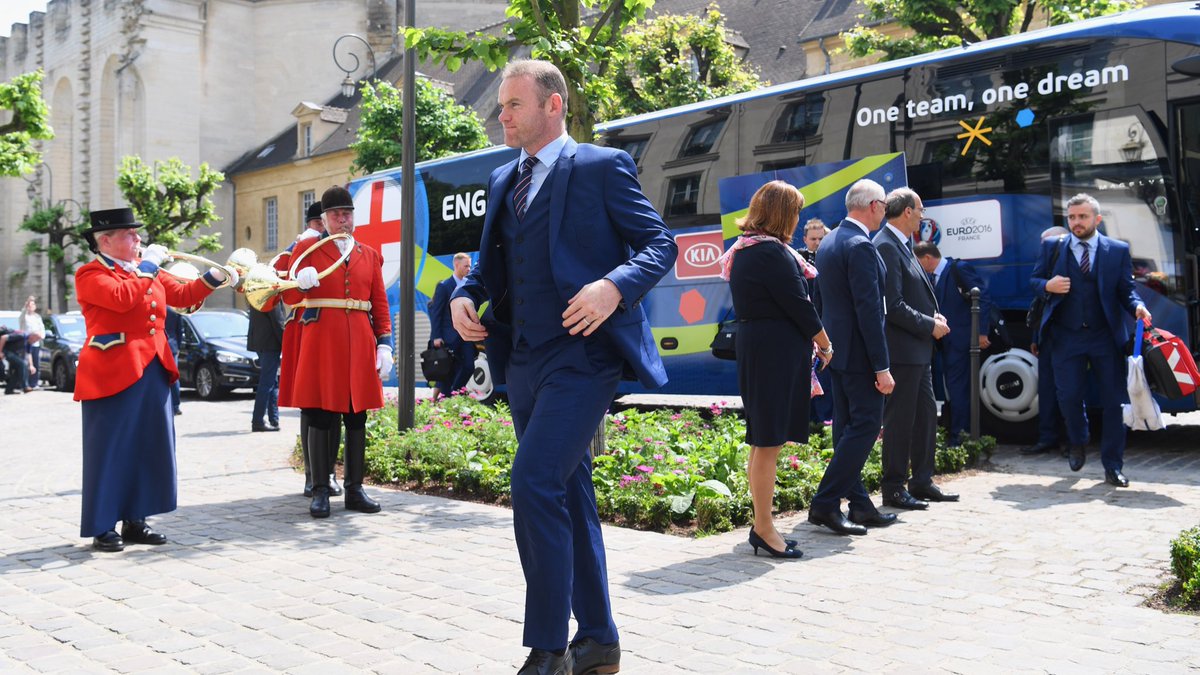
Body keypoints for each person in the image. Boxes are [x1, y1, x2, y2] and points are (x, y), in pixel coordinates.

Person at [449, 59, 676, 675]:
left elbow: (660, 244)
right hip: (522, 361)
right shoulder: (502, 179)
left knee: (534, 482)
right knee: (569, 492)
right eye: (501, 104)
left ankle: (548, 647)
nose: (502, 114)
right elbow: (486, 266)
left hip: (583, 357)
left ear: (553, 106)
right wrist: (464, 295)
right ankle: (599, 639)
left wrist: (612, 286)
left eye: (514, 104)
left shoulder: (602, 167)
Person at [73, 207, 232, 552]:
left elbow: (184, 296)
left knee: (149, 446)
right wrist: (148, 268)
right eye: (130, 234)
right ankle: (103, 525)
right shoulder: (90, 273)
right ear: (105, 240)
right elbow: (122, 298)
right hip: (112, 369)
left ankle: (136, 520)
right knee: (110, 449)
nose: (138, 238)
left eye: (136, 233)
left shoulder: (147, 271)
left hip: (154, 366)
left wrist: (217, 277)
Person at [720, 181, 832, 559]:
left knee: (763, 441)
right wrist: (824, 342)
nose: (799, 219)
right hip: (773, 351)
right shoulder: (770, 253)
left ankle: (762, 523)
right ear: (782, 213)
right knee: (768, 442)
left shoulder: (748, 250)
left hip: (763, 348)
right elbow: (799, 305)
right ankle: (765, 529)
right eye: (795, 211)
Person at [284, 185, 393, 518]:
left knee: (356, 415)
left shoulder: (369, 254)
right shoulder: (306, 248)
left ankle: (355, 489)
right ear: (325, 219)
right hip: (322, 340)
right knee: (320, 413)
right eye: (335, 215)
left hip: (359, 338)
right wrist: (296, 282)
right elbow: (286, 298)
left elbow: (379, 302)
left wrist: (385, 341)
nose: (342, 220)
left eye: (346, 214)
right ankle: (319, 490)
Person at [1030, 194, 1150, 487]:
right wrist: (1047, 285)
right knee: (1068, 398)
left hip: (1105, 338)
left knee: (1113, 403)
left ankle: (1112, 466)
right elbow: (1034, 281)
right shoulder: (1052, 248)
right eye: (1071, 217)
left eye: (1082, 217)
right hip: (1066, 337)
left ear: (1097, 219)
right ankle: (1078, 439)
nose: (1076, 223)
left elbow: (1126, 289)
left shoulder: (1117, 251)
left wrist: (1137, 306)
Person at [807, 178, 895, 537]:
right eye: (885, 206)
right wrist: (882, 366)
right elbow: (869, 310)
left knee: (845, 429)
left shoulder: (829, 241)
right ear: (873, 205)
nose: (885, 213)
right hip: (860, 355)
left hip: (840, 353)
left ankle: (859, 503)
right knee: (864, 427)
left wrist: (825, 345)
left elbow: (822, 302)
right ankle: (826, 503)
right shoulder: (859, 244)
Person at [876, 189, 956, 512]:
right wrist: (929, 324)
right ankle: (893, 487)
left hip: (918, 352)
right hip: (902, 352)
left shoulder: (902, 244)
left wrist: (931, 318)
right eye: (920, 210)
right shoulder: (885, 244)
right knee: (900, 421)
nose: (923, 216)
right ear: (907, 211)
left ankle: (921, 481)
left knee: (925, 416)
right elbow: (892, 306)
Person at [278, 200, 342, 497]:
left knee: (331, 406)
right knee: (312, 406)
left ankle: (325, 472)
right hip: (307, 330)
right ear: (317, 223)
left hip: (329, 332)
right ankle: (312, 474)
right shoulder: (302, 247)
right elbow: (282, 287)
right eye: (321, 223)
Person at [914, 241, 995, 446]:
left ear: (928, 259)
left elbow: (982, 298)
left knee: (959, 387)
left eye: (917, 263)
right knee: (951, 387)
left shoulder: (958, 269)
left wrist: (981, 332)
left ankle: (960, 434)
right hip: (943, 342)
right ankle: (955, 430)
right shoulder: (931, 277)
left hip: (961, 340)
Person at [1020, 225, 1069, 456]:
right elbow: (1040, 306)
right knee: (1047, 389)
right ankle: (1047, 437)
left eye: (1048, 243)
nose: (1044, 248)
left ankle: (1071, 441)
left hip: (1071, 337)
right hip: (1048, 337)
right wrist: (1036, 337)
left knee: (1069, 391)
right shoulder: (1045, 269)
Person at [428, 252, 477, 398]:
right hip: (448, 336)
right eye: (466, 266)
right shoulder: (444, 286)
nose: (469, 269)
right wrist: (436, 336)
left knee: (469, 366)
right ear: (456, 265)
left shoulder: (469, 285)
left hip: (465, 335)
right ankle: (448, 398)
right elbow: (436, 313)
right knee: (446, 370)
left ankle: (455, 393)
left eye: (470, 266)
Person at [802, 218, 833, 426]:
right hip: (804, 329)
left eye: (821, 238)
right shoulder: (797, 259)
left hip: (825, 328)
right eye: (813, 239)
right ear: (805, 239)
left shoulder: (830, 257)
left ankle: (824, 422)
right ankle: (810, 422)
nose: (817, 242)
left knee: (824, 377)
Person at [248, 302, 285, 432]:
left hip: (261, 342)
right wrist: (286, 342)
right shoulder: (271, 293)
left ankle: (274, 419)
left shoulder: (258, 290)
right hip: (270, 343)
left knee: (272, 382)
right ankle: (258, 421)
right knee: (267, 383)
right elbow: (278, 321)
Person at [19, 296, 45, 391]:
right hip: (26, 342)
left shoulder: (37, 317)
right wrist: (26, 304)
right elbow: (22, 316)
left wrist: (41, 336)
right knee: (27, 363)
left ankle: (34, 383)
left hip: (36, 343)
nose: (32, 306)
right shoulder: (24, 316)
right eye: (30, 305)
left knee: (36, 363)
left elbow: (42, 329)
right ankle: (26, 383)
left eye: (33, 304)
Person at [0, 326, 34, 394]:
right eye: (36, 339)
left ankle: (9, 390)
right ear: (32, 336)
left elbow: (28, 353)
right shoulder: (21, 335)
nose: (35, 341)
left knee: (18, 369)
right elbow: (3, 338)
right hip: (6, 351)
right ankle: (25, 386)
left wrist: (31, 365)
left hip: (13, 353)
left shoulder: (29, 342)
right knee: (22, 364)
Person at [165, 308, 183, 415]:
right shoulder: (174, 310)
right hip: (173, 347)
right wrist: (179, 347)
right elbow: (180, 330)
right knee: (174, 378)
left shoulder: (161, 306)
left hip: (160, 345)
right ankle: (176, 406)